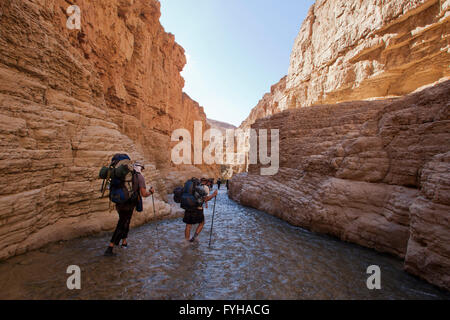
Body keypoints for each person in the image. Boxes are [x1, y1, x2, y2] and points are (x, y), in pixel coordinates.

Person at [104, 162, 154, 256]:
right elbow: (144, 194)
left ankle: (124, 242)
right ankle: (110, 247)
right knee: (122, 223)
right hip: (129, 204)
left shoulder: (125, 176)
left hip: (119, 202)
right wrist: (151, 192)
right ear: (140, 168)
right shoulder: (139, 177)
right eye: (142, 169)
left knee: (125, 221)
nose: (142, 171)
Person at [183, 178, 218, 243]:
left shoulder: (189, 188)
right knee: (202, 223)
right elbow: (206, 199)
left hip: (188, 207)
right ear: (207, 181)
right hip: (198, 209)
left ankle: (186, 241)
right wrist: (213, 195)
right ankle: (194, 238)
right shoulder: (202, 188)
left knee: (188, 225)